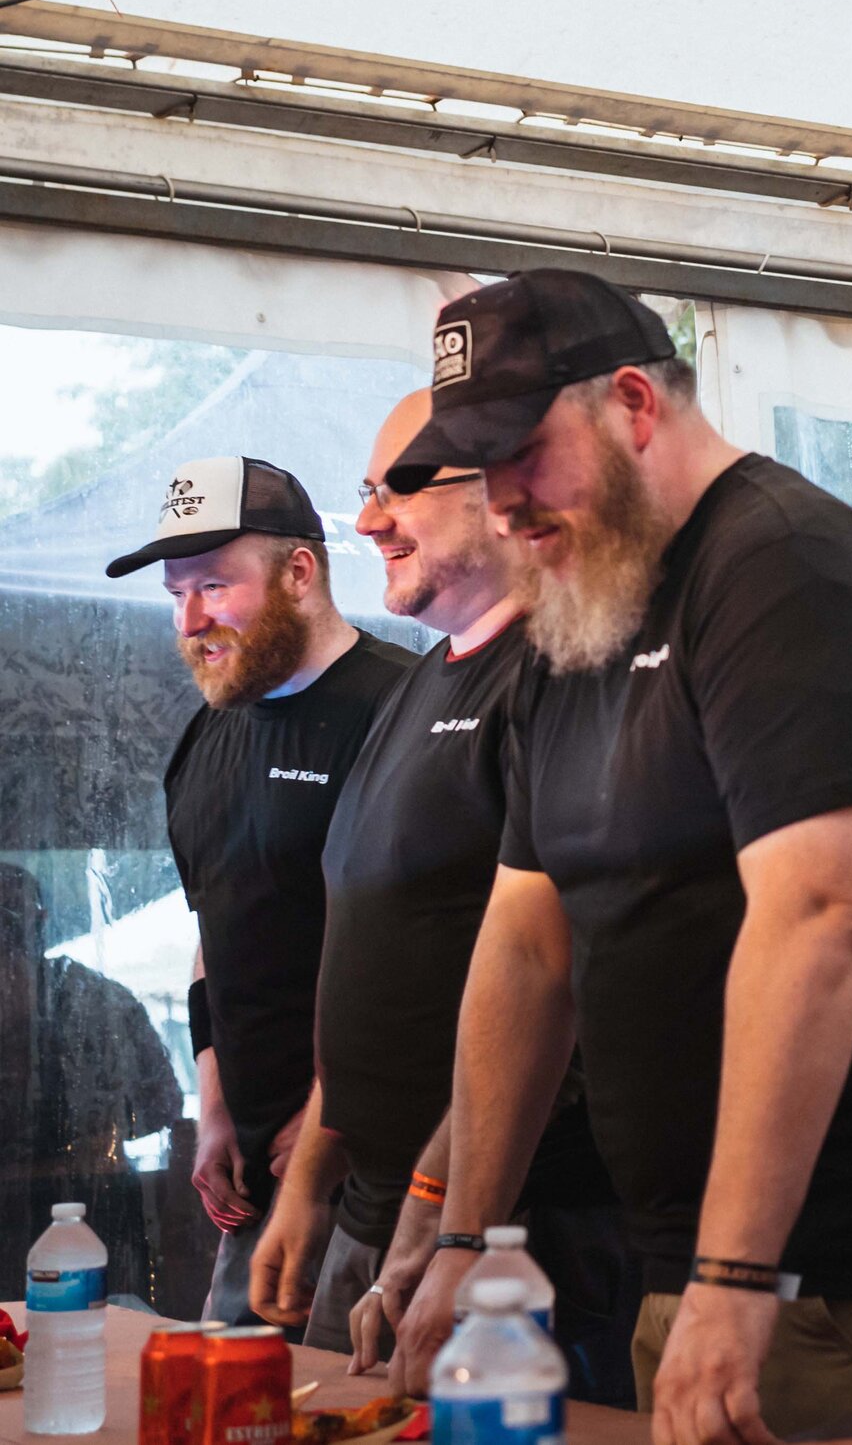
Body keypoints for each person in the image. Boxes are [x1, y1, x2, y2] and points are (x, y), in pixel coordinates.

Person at [382, 270, 852, 1445]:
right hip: (697, 1250)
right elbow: (528, 943)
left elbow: (821, 916)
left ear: (634, 402)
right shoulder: (581, 608)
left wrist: (739, 1275)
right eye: (476, 469)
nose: (500, 505)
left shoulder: (783, 570)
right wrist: (459, 1234)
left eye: (522, 454)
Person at [242, 391, 639, 1401]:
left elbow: (573, 990)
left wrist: (445, 1213)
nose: (370, 520)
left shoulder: (570, 676)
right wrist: (310, 1181)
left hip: (515, 1230)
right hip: (384, 1211)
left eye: (404, 485)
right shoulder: (423, 680)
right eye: (368, 491)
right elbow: (375, 961)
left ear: (510, 488)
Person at [109, 456, 415, 1328]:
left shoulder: (399, 711)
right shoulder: (204, 740)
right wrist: (215, 1107)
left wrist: (325, 1123)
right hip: (257, 1188)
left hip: (382, 1185)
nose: (192, 619)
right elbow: (218, 931)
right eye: (177, 594)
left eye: (214, 583)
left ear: (299, 570)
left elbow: (426, 962)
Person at [0, 862, 183, 1297]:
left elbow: (165, 1105)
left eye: (12, 918)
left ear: (40, 921)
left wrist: (97, 1140)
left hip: (94, 1208)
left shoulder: (97, 1001)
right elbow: (163, 1105)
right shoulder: (101, 999)